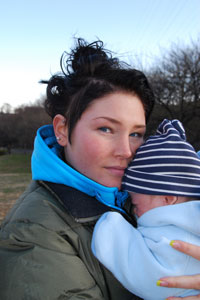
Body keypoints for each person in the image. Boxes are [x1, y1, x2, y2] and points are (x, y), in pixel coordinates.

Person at [0, 38, 199, 300]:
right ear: (62, 129)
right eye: (105, 129)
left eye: (136, 133)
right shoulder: (34, 234)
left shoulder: (139, 193)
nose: (126, 151)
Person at [91, 119, 200, 300]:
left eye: (135, 204)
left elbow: (149, 275)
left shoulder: (180, 240)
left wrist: (111, 228)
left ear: (168, 199)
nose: (134, 212)